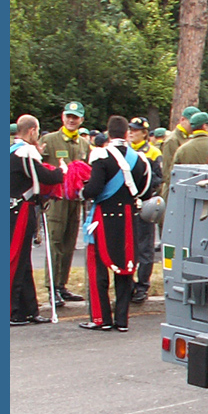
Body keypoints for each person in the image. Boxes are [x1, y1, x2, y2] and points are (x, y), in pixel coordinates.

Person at [80, 115, 153, 332]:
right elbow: (145, 192)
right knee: (125, 266)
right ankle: (122, 319)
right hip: (129, 217)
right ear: (126, 133)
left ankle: (101, 318)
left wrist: (80, 191)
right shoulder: (140, 159)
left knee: (99, 267)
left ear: (109, 133)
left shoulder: (100, 154)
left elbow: (93, 190)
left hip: (104, 217)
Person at [10, 115, 66, 325]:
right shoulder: (25, 151)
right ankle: (13, 310)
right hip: (21, 209)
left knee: (24, 262)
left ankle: (28, 308)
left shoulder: (13, 150)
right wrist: (63, 170)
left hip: (16, 208)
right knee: (16, 260)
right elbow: (46, 177)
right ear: (32, 131)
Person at [40, 101, 90, 306]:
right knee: (55, 241)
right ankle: (51, 287)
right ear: (62, 117)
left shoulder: (84, 144)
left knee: (69, 242)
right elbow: (38, 165)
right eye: (68, 116)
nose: (71, 120)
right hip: (56, 199)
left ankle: (62, 285)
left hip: (74, 200)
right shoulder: (50, 140)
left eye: (75, 117)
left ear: (81, 120)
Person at [127, 117, 163, 303]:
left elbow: (159, 178)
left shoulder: (153, 152)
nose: (131, 132)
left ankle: (142, 285)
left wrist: (142, 180)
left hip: (145, 203)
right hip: (128, 204)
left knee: (145, 247)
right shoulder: (126, 150)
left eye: (135, 130)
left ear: (144, 133)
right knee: (129, 246)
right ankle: (129, 283)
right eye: (130, 129)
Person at [160, 106, 199, 202]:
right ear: (182, 120)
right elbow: (168, 171)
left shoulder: (190, 138)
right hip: (174, 191)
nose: (193, 126)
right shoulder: (172, 140)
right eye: (191, 123)